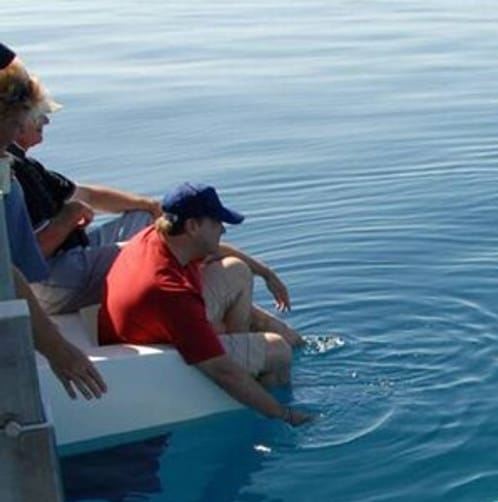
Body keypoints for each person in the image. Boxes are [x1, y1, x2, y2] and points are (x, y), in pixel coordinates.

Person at [98, 182, 310, 425]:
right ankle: (261, 400)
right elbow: (222, 371)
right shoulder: (171, 293)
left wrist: (266, 273)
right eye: (217, 223)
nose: (223, 230)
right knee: (279, 350)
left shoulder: (158, 235)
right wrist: (285, 415)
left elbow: (216, 249)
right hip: (153, 350)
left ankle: (244, 349)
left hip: (157, 319)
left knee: (238, 271)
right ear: (192, 226)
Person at [2, 41, 106, 399]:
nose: (16, 136)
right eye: (16, 123)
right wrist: (59, 351)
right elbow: (5, 273)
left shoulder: (6, 169)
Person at [6, 80, 161, 315]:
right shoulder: (11, 171)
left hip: (70, 256)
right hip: (48, 279)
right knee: (166, 248)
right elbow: (32, 258)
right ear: (18, 120)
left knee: (146, 219)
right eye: (39, 115)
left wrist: (149, 205)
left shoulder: (27, 165)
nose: (46, 121)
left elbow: (87, 195)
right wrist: (71, 215)